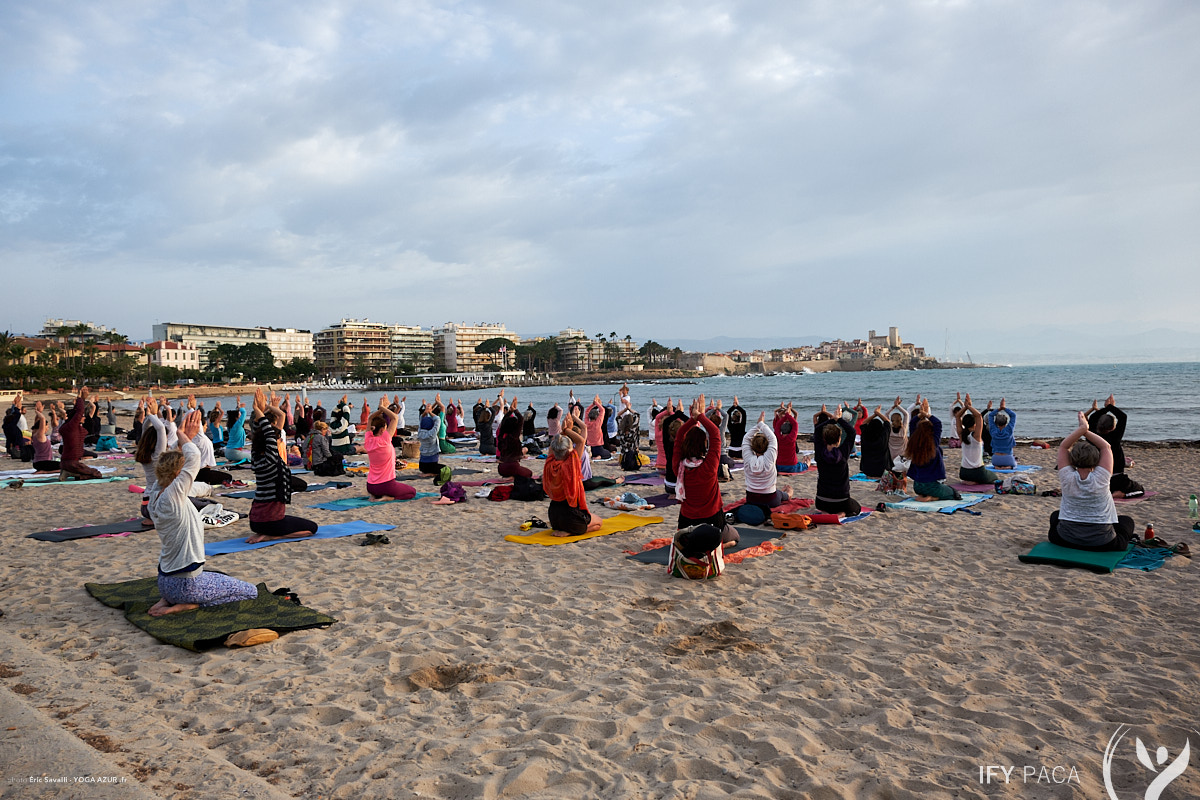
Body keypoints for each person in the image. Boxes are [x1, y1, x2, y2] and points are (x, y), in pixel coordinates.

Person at [147, 409, 259, 617]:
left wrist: (182, 441)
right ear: (178, 475)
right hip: (186, 585)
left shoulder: (156, 494)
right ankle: (186, 605)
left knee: (218, 577)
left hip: (165, 583)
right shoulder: (174, 495)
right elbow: (194, 457)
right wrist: (182, 434)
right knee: (249, 592)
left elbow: (168, 461)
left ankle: (170, 600)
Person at [1049, 411, 1135, 551]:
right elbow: (1105, 447)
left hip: (1065, 539)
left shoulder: (1066, 476)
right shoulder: (1103, 476)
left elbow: (1064, 447)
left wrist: (1082, 429)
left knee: (1055, 516)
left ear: (1072, 460)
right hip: (1102, 543)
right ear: (1096, 461)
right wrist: (1086, 431)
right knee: (1127, 521)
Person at [247, 388, 319, 544]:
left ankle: (268, 533)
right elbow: (267, 430)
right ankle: (273, 536)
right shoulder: (272, 459)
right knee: (312, 528)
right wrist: (259, 409)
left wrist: (261, 410)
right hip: (270, 523)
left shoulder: (256, 458)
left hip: (254, 522)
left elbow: (263, 431)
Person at [673, 395, 740, 546]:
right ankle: (722, 544)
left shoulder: (679, 467)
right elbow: (716, 434)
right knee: (735, 536)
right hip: (712, 520)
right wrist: (700, 417)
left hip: (687, 521)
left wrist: (694, 419)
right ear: (704, 445)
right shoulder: (709, 466)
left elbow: (679, 436)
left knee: (686, 540)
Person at [541, 411, 602, 536]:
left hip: (554, 515)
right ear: (569, 450)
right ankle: (570, 532)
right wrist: (567, 430)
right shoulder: (570, 464)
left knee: (591, 520)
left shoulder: (549, 464)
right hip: (570, 515)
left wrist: (562, 431)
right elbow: (581, 442)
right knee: (598, 523)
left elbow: (554, 445)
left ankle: (568, 529)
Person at [1087, 395, 1142, 497]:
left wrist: (1105, 408)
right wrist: (1110, 407)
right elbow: (1123, 417)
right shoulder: (1115, 437)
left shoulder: (1093, 437)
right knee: (1140, 490)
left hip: (1100, 479)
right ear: (1113, 427)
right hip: (1117, 480)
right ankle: (1120, 494)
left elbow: (1092, 419)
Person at [905, 398, 959, 501]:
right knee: (954, 493)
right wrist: (926, 414)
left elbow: (912, 424)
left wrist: (921, 414)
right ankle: (932, 497)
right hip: (932, 486)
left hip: (917, 486)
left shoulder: (914, 442)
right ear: (931, 432)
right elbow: (938, 423)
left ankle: (923, 495)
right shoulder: (933, 443)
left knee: (936, 489)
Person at [363, 398, 416, 502]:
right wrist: (382, 408)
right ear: (383, 430)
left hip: (371, 487)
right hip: (386, 485)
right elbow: (395, 418)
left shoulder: (368, 440)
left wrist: (380, 410)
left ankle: (374, 496)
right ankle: (388, 498)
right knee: (412, 492)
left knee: (381, 489)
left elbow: (370, 419)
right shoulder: (385, 439)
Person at [813, 405, 861, 516]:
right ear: (839, 440)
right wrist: (838, 420)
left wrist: (832, 420)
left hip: (821, 501)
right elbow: (852, 432)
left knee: (825, 506)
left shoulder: (820, 452)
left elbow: (817, 430)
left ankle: (826, 512)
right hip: (841, 501)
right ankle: (842, 514)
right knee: (856, 508)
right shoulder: (843, 453)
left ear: (824, 439)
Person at [742, 412, 793, 510]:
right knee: (781, 494)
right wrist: (761, 424)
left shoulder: (748, 458)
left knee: (778, 492)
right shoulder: (770, 458)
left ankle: (783, 493)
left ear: (752, 446)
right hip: (770, 499)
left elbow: (746, 438)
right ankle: (788, 494)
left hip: (751, 499)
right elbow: (773, 438)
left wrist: (758, 425)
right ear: (767, 446)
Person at [58, 388, 102, 480]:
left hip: (67, 462)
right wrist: (81, 398)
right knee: (96, 474)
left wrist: (81, 398)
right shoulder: (72, 427)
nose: (83, 417)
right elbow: (79, 411)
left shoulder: (70, 427)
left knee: (91, 472)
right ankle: (71, 473)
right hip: (72, 463)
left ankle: (71, 473)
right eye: (82, 416)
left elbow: (76, 412)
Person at [955, 395, 998, 484]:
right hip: (978, 471)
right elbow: (978, 416)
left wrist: (965, 407)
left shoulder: (961, 435)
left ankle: (969, 481)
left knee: (976, 476)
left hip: (964, 473)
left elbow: (957, 417)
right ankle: (976, 481)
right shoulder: (976, 436)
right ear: (974, 424)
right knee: (994, 477)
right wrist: (969, 407)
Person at [497, 399, 533, 480]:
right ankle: (512, 476)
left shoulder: (501, 437)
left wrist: (510, 412)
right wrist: (515, 410)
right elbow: (521, 420)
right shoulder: (514, 437)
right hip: (513, 466)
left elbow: (503, 422)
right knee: (529, 473)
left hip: (501, 469)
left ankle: (509, 476)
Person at [858, 406, 892, 479]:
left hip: (868, 470)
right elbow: (887, 422)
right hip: (882, 470)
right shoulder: (883, 438)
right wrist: (878, 413)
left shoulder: (865, 436)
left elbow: (864, 423)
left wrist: (874, 414)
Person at [986, 399, 1017, 469]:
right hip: (1008, 457)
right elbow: (1013, 415)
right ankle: (1008, 467)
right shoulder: (1009, 430)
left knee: (997, 464)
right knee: (1015, 464)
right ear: (1006, 422)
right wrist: (1004, 408)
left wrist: (999, 409)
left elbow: (990, 416)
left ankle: (997, 466)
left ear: (996, 422)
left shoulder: (993, 430)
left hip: (995, 459)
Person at [29, 402, 60, 473]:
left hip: (38, 463)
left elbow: (37, 422)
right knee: (66, 467)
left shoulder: (34, 433)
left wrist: (39, 412)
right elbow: (42, 419)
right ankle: (45, 472)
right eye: (47, 426)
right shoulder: (40, 435)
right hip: (43, 463)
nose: (48, 428)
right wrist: (36, 411)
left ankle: (44, 471)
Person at [775, 402, 802, 473]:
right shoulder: (792, 437)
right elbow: (795, 424)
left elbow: (778, 425)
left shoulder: (778, 436)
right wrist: (788, 410)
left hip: (779, 466)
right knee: (802, 465)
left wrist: (788, 410)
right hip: (792, 466)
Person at [417, 408, 443, 477]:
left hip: (422, 466)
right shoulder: (432, 434)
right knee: (446, 469)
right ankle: (431, 473)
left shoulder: (419, 433)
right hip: (432, 464)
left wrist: (425, 412)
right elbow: (438, 420)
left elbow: (420, 420)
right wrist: (430, 412)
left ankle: (426, 472)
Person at [886, 397, 910, 469]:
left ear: (891, 420)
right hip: (902, 456)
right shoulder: (904, 429)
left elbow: (886, 414)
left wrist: (894, 406)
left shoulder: (889, 429)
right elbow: (906, 414)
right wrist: (898, 406)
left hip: (891, 455)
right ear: (901, 420)